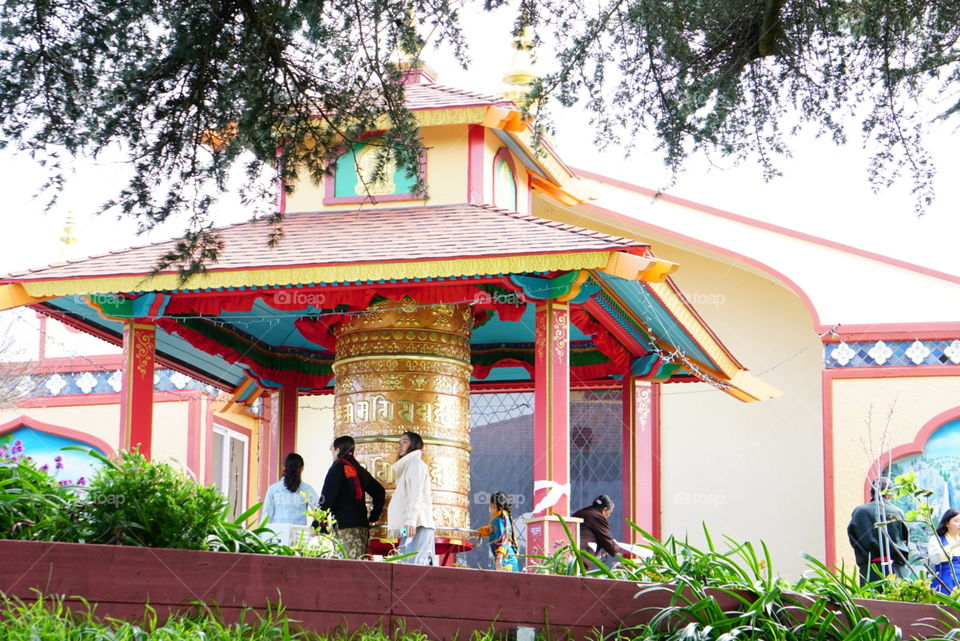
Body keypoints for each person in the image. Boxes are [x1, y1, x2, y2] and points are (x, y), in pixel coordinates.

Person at [318, 435, 386, 559]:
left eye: (332, 450)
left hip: (345, 527)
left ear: (337, 450)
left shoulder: (337, 468)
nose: (332, 454)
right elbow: (379, 492)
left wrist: (317, 523)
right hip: (361, 526)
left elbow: (327, 498)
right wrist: (373, 516)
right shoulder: (359, 469)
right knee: (359, 566)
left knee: (347, 566)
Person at [847, 476, 910, 586]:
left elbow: (853, 537)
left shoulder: (859, 511)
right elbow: (904, 538)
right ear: (890, 494)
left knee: (871, 602)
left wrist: (864, 556)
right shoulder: (897, 512)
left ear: (871, 493)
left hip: (870, 570)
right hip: (896, 569)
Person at [387, 431, 436, 565]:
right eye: (400, 442)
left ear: (414, 445)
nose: (400, 445)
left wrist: (411, 520)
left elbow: (416, 494)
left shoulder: (417, 465)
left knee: (413, 565)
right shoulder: (409, 466)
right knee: (405, 561)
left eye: (405, 442)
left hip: (418, 524)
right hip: (410, 525)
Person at [262, 453, 320, 538]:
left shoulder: (273, 489)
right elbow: (319, 512)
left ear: (284, 467)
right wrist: (314, 529)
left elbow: (266, 516)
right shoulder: (307, 489)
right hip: (300, 536)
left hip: (277, 536)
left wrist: (260, 538)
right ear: (302, 469)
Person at [572, 495, 631, 562]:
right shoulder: (597, 516)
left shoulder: (580, 512)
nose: (608, 516)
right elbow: (606, 540)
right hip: (581, 557)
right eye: (609, 513)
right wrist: (621, 552)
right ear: (604, 510)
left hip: (570, 553)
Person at [475, 491, 520, 572]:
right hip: (505, 557)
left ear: (493, 505)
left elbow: (503, 538)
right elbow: (493, 530)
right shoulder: (503, 517)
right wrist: (479, 532)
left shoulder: (500, 519)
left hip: (505, 559)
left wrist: (499, 558)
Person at [928, 508, 960, 594]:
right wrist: (953, 546)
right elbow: (934, 559)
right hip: (944, 583)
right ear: (947, 523)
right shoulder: (937, 539)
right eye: (956, 521)